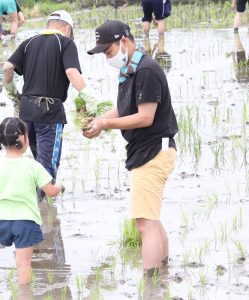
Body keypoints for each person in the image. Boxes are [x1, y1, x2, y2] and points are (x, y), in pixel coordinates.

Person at [85, 20, 178, 276]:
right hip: (147, 150)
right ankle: (163, 272)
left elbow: (145, 116)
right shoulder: (129, 70)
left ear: (123, 41)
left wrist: (106, 123)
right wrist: (99, 121)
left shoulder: (146, 70)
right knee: (151, 218)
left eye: (108, 51)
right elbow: (125, 109)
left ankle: (151, 282)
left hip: (153, 151)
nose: (107, 56)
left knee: (144, 223)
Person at [3, 10, 96, 199]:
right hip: (49, 112)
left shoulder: (28, 42)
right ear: (67, 28)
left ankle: (43, 210)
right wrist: (89, 96)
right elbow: (71, 72)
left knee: (39, 162)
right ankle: (37, 212)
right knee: (47, 168)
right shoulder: (66, 43)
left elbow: (7, 67)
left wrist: (12, 91)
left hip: (26, 111)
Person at [0, 117, 64, 286]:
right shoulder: (33, 166)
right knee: (23, 265)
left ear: (1, 141)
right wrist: (59, 186)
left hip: (1, 221)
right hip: (26, 223)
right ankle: (25, 294)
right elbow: (51, 192)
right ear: (23, 138)